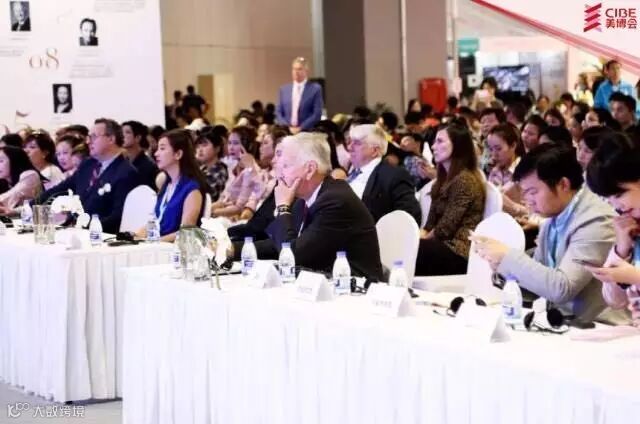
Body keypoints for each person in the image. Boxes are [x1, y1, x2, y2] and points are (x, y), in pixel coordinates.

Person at [471, 143, 619, 322]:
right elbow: (538, 286)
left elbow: (562, 288)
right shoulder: (553, 213)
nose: (528, 200)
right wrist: (501, 268)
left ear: (563, 184)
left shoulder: (596, 219)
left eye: (533, 192)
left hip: (602, 327)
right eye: (525, 193)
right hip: (565, 324)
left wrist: (507, 257)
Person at [234, 132, 383, 281]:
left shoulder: (336, 201)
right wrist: (231, 250)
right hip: (322, 283)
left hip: (355, 289)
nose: (280, 174)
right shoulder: (305, 199)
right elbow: (279, 244)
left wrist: (283, 208)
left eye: (286, 166)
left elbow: (294, 256)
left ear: (310, 169)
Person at [37, 118, 141, 234]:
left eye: (94, 137)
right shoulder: (88, 165)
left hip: (103, 236)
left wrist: (85, 227)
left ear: (111, 139)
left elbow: (118, 216)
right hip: (77, 231)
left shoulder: (126, 172)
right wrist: (32, 205)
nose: (88, 141)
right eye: (88, 137)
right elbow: (62, 188)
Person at [414, 121, 486, 276]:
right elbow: (430, 225)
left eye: (440, 141)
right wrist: (416, 235)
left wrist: (420, 240)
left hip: (459, 250)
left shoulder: (465, 180)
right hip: (441, 245)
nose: (433, 146)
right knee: (404, 243)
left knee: (414, 249)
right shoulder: (442, 180)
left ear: (458, 145)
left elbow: (445, 229)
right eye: (434, 141)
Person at [584, 135, 640, 325]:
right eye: (608, 198)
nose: (616, 205)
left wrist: (634, 276)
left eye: (619, 194)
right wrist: (621, 249)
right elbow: (615, 301)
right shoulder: (631, 228)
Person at [347, 124, 421, 224]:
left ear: (374, 151)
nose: (349, 147)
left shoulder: (394, 176)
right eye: (350, 142)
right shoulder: (352, 173)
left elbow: (409, 217)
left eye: (357, 143)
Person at [142, 129, 207, 241]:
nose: (156, 153)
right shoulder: (166, 185)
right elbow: (155, 222)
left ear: (178, 154)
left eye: (162, 148)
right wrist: (133, 236)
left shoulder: (192, 190)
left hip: (172, 248)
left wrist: (153, 242)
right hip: (157, 244)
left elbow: (185, 233)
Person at [275, 57, 323, 133]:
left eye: (299, 69)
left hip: (306, 132)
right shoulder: (284, 89)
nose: (296, 72)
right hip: (287, 132)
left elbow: (317, 114)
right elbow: (278, 112)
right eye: (294, 69)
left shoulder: (315, 89)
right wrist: (287, 128)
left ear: (306, 71)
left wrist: (301, 128)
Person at [0, 146, 42, 215]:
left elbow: (13, 194)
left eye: (1, 161)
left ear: (14, 160)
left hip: (37, 219)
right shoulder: (6, 181)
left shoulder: (30, 175)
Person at [122, 120, 158, 189]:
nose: (122, 135)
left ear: (138, 138)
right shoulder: (122, 163)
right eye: (121, 132)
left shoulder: (149, 165)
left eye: (127, 132)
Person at [195, 127, 228, 202]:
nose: (200, 150)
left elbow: (208, 196)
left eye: (204, 145)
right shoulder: (202, 168)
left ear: (217, 148)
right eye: (197, 146)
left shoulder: (219, 170)